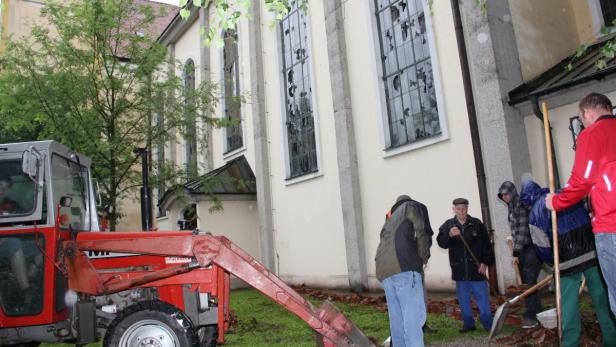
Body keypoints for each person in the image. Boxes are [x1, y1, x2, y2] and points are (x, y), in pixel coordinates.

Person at [546, 93, 616, 316]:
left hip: (611, 225)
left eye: (581, 118)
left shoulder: (591, 134)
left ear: (586, 112)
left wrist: (556, 201)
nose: (582, 123)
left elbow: (582, 180)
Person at [522, 180, 616, 347]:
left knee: (568, 307)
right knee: (603, 300)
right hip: (591, 253)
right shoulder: (563, 194)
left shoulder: (535, 212)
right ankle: (612, 339)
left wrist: (552, 263)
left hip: (565, 261)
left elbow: (541, 245)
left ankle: (570, 343)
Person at [376, 195, 433, 347]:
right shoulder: (410, 207)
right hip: (404, 267)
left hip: (385, 272)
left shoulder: (390, 218)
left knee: (397, 319)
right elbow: (421, 231)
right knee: (413, 318)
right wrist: (423, 257)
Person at [437, 198, 494, 333]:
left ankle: (488, 324)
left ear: (467, 209)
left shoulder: (476, 224)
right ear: (454, 209)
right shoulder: (448, 225)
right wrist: (449, 235)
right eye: (458, 209)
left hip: (476, 269)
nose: (461, 211)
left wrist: (485, 263)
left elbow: (486, 245)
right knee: (463, 300)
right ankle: (468, 324)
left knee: (483, 298)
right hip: (459, 270)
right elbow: (441, 243)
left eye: (464, 208)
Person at [498, 181, 542, 329]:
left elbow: (523, 230)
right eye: (502, 195)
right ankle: (537, 311)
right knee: (528, 282)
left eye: (507, 194)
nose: (504, 197)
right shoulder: (511, 207)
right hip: (523, 248)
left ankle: (531, 316)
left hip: (530, 249)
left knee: (529, 283)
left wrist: (516, 252)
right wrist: (513, 238)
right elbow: (516, 229)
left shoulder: (519, 206)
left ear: (513, 193)